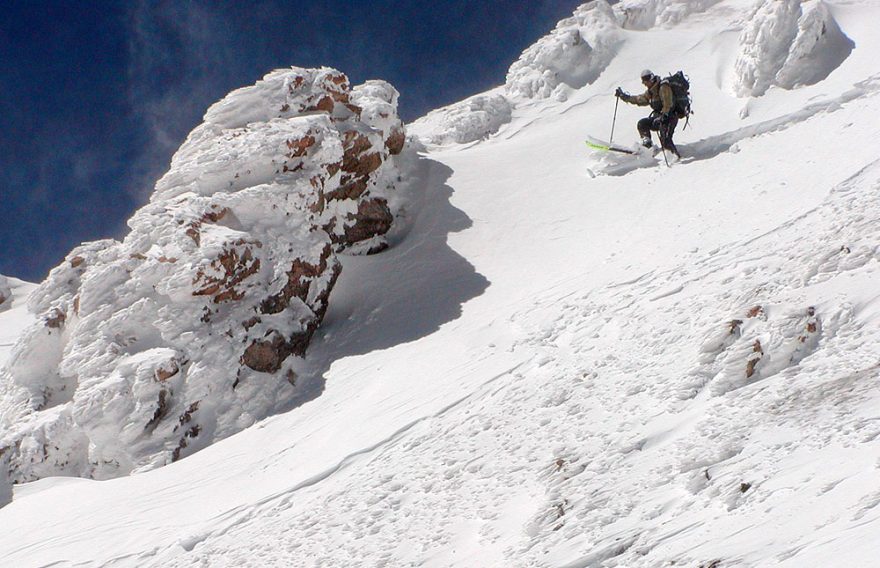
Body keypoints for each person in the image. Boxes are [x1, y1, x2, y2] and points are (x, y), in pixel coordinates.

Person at [615, 69, 680, 157]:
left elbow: (668, 103)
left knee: (666, 139)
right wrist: (625, 97)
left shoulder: (663, 87)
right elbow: (640, 100)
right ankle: (647, 146)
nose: (645, 83)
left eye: (646, 81)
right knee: (642, 124)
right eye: (643, 81)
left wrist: (664, 115)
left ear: (651, 79)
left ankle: (674, 157)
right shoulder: (651, 92)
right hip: (659, 117)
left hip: (670, 117)